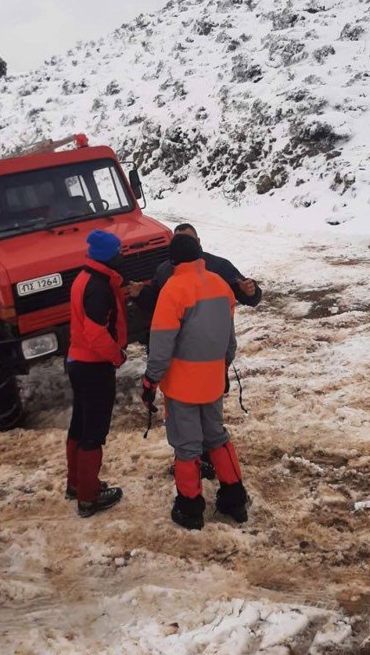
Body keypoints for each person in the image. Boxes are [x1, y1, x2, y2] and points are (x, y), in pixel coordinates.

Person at [140, 233, 249, 530]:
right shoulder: (220, 285)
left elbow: (161, 345)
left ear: (173, 260)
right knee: (217, 437)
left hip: (182, 387)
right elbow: (229, 340)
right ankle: (235, 500)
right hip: (212, 381)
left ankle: (190, 509)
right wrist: (221, 367)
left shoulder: (173, 290)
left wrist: (150, 380)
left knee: (187, 447)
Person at [65, 229, 126, 517]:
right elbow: (96, 333)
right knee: (94, 432)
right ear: (107, 256)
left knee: (80, 425)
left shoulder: (85, 277)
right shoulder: (98, 287)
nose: (122, 256)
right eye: (118, 252)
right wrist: (117, 355)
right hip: (94, 366)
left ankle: (76, 484)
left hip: (78, 362)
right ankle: (88, 498)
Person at [128, 223, 262, 314]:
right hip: (180, 339)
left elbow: (248, 296)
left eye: (188, 240)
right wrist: (140, 294)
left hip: (214, 337)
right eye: (179, 241)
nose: (184, 245)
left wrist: (250, 292)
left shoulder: (219, 266)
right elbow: (155, 302)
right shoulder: (164, 270)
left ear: (198, 241)